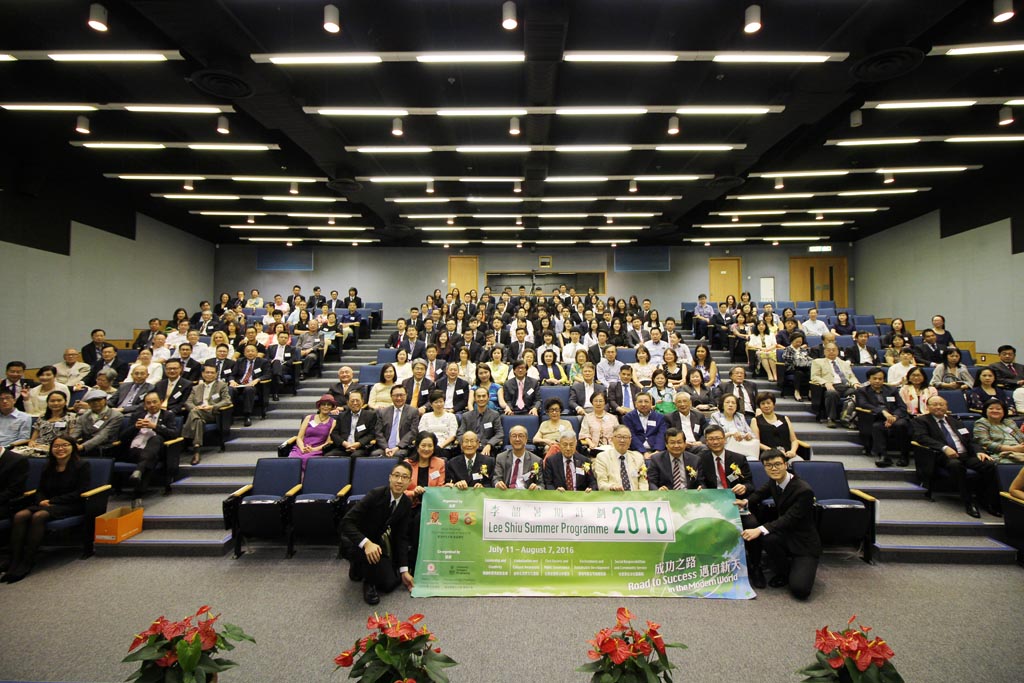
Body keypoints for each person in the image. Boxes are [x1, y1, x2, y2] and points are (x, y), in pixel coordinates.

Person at [2, 437, 91, 583]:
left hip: (70, 504)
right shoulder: (48, 465)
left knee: (39, 516)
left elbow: (81, 491)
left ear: (72, 447)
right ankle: (14, 560)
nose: (60, 449)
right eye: (56, 446)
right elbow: (40, 489)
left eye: (64, 445)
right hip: (47, 503)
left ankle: (28, 561)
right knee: (20, 515)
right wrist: (41, 500)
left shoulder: (82, 465)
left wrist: (53, 501)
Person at [736, 449, 821, 599]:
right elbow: (759, 494)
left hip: (803, 542)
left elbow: (789, 518)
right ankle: (784, 570)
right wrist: (746, 502)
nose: (773, 468)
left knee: (800, 591)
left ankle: (797, 566)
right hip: (785, 535)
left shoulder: (803, 490)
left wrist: (760, 529)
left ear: (786, 464)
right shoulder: (774, 481)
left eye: (777, 464)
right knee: (768, 539)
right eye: (769, 465)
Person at [340, 460, 415, 605]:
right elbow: (346, 522)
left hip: (376, 543)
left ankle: (362, 568)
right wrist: (366, 543)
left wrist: (404, 570)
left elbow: (401, 537)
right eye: (396, 476)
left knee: (390, 584)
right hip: (355, 540)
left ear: (410, 481)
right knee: (372, 568)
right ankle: (368, 582)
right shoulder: (376, 494)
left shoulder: (406, 503)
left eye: (404, 477)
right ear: (390, 477)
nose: (399, 481)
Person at [912, 395, 1000, 518]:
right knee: (956, 465)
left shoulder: (956, 421)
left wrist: (979, 451)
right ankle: (968, 502)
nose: (938, 407)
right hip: (942, 456)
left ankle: (988, 501)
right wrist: (944, 448)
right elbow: (921, 437)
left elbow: (971, 441)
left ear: (946, 406)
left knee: (989, 465)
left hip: (965, 455)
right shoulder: (921, 421)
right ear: (928, 407)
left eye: (941, 404)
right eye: (935, 404)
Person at [120, 392, 180, 506]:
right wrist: (135, 427)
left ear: (161, 402)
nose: (152, 405)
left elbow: (174, 434)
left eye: (154, 402)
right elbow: (123, 437)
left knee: (156, 439)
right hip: (135, 450)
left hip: (157, 448)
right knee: (150, 459)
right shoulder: (137, 415)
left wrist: (155, 426)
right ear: (144, 405)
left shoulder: (168, 415)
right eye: (148, 403)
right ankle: (138, 486)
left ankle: (138, 484)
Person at [855, 368, 911, 467]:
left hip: (896, 417)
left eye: (880, 379)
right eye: (874, 378)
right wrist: (883, 412)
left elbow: (902, 406)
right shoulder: (862, 391)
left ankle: (904, 455)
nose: (877, 381)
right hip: (877, 417)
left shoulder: (892, 390)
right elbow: (863, 404)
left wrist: (894, 416)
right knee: (877, 427)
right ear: (869, 379)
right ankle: (883, 456)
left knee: (901, 424)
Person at [182, 365, 230, 465]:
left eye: (212, 372)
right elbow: (188, 402)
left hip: (212, 413)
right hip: (198, 413)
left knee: (193, 413)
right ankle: (197, 450)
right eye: (207, 372)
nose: (209, 374)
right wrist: (195, 408)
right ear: (203, 374)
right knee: (198, 420)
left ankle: (185, 435)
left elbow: (227, 400)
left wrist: (212, 407)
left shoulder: (222, 385)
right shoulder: (196, 388)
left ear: (216, 374)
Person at [810, 343, 858, 428]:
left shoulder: (844, 363)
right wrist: (825, 382)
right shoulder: (817, 362)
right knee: (832, 393)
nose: (831, 352)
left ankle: (846, 417)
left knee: (857, 392)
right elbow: (814, 377)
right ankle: (831, 418)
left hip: (846, 386)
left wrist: (855, 383)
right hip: (831, 386)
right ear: (824, 352)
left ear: (838, 351)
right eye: (828, 350)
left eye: (834, 350)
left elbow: (851, 376)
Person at [287, 395, 338, 471]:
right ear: (319, 406)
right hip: (301, 448)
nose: (326, 407)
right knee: (292, 460)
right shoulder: (308, 418)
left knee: (305, 460)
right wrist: (302, 448)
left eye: (329, 405)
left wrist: (313, 449)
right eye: (323, 404)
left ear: (332, 407)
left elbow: (328, 442)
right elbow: (299, 437)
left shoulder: (333, 422)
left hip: (317, 450)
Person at [16, 391, 77, 455]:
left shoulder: (72, 417)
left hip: (58, 448)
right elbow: (33, 439)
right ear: (47, 403)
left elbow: (71, 439)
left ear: (65, 402)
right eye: (52, 401)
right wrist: (32, 442)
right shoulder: (42, 417)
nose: (56, 403)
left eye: (59, 400)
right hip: (38, 447)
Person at [594, 425, 649, 491]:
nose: (622, 440)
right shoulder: (602, 457)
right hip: (613, 497)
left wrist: (642, 497)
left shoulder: (638, 457)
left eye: (625, 437)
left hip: (634, 498)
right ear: (612, 439)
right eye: (619, 437)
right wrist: (612, 487)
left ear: (630, 440)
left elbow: (643, 482)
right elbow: (601, 483)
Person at [70, 389, 124, 455]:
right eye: (92, 401)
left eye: (99, 400)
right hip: (85, 448)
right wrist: (68, 442)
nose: (95, 403)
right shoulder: (83, 416)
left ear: (105, 400)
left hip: (105, 448)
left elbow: (103, 435)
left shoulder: (116, 416)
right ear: (88, 403)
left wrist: (83, 446)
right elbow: (76, 432)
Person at [752, 392, 802, 462]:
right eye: (763, 403)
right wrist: (774, 452)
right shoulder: (755, 420)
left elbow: (794, 440)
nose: (766, 406)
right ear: (759, 406)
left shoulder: (785, 418)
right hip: (768, 454)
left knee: (799, 463)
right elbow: (757, 443)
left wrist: (792, 451)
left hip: (787, 453)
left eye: (768, 403)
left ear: (774, 404)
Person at [331, 391, 381, 458]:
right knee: (328, 456)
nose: (355, 403)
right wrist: (344, 443)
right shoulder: (342, 416)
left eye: (357, 400)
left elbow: (371, 434)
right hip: (344, 447)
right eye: (352, 401)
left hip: (361, 447)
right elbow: (334, 434)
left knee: (355, 456)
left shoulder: (370, 415)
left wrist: (358, 444)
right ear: (347, 403)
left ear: (362, 401)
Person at [972, 399, 1024, 464]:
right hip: (1000, 453)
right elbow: (984, 442)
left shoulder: (1009, 422)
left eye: (998, 409)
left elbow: (1022, 437)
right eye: (991, 408)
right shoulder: (981, 423)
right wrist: (1013, 448)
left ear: (1004, 411)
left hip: (1020, 451)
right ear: (985, 411)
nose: (995, 411)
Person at [457, 387, 504, 457]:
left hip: (486, 448)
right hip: (469, 448)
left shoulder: (495, 415)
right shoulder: (466, 416)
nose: (481, 399)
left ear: (488, 398)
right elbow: (460, 434)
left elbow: (499, 433)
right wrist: (465, 444)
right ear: (475, 399)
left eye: (484, 396)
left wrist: (489, 444)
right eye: (478, 396)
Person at [493, 425, 543, 490]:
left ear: (526, 439)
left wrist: (537, 488)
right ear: (510, 439)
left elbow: (541, 484)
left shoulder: (536, 460)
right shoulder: (501, 457)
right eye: (514, 436)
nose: (517, 439)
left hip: (526, 495)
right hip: (506, 493)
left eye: (521, 436)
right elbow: (496, 478)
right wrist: (497, 484)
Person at [417, 391, 458, 456]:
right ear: (431, 404)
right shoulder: (425, 416)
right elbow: (422, 434)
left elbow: (452, 436)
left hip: (444, 447)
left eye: (441, 401)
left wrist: (440, 447)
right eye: (436, 402)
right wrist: (430, 447)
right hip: (427, 447)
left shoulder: (451, 416)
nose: (439, 404)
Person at [781, 332, 812, 401]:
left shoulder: (803, 349)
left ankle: (810, 391)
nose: (798, 343)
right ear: (792, 341)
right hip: (792, 368)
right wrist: (797, 358)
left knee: (811, 372)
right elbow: (786, 358)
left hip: (804, 367)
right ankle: (797, 391)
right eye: (797, 342)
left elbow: (808, 358)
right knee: (798, 373)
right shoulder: (788, 349)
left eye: (800, 342)